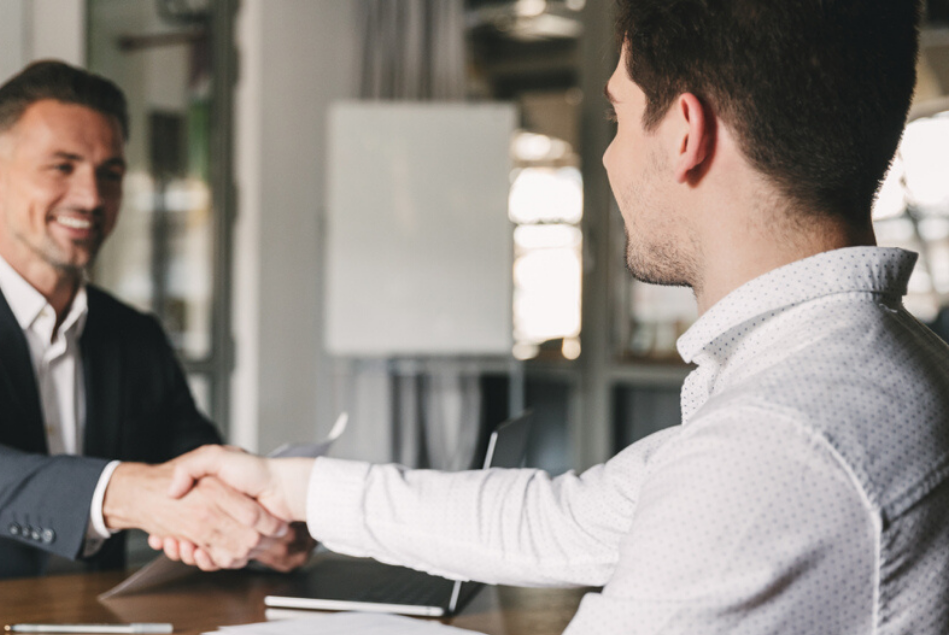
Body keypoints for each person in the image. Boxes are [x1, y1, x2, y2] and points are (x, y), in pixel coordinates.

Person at [151, 1, 949, 632]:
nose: (606, 156)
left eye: (615, 114)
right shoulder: (860, 363)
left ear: (684, 133)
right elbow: (563, 521)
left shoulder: (783, 439)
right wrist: (285, 485)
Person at [0, 60, 310, 591]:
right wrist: (123, 492)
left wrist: (259, 526)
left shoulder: (135, 335)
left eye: (110, 173)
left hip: (99, 617)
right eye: (62, 167)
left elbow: (196, 468)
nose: (91, 197)